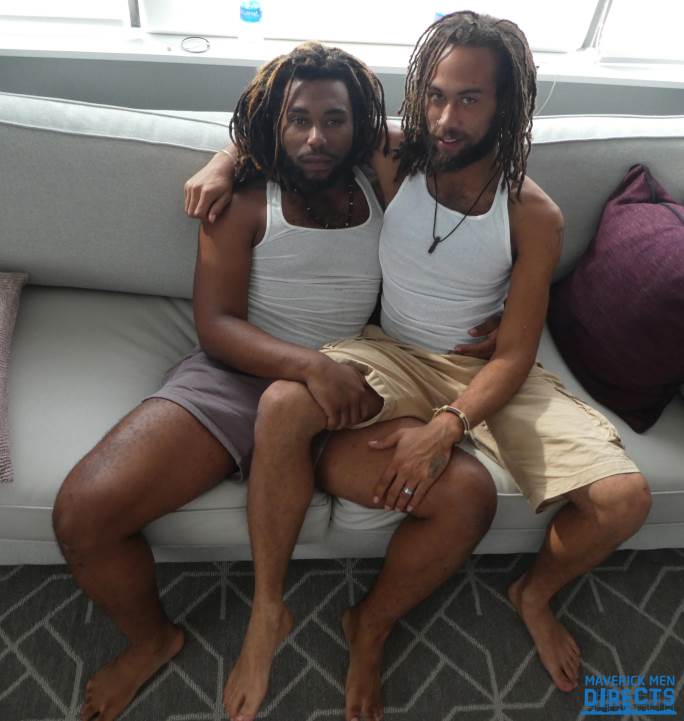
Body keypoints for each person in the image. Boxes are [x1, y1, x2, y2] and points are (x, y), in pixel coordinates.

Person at [190, 12, 652, 721]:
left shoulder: (535, 215)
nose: (444, 119)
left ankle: (509, 597)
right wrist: (221, 163)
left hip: (481, 372)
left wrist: (448, 426)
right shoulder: (392, 154)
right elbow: (286, 125)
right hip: (391, 352)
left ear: (506, 103)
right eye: (434, 96)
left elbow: (515, 354)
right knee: (284, 402)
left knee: (624, 501)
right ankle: (267, 608)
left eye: (468, 99)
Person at [51, 42, 497, 721]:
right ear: (274, 123)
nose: (316, 137)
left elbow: (468, 183)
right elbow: (216, 324)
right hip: (238, 378)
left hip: (352, 387)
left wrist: (490, 311)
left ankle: (369, 626)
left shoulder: (384, 181)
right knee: (83, 514)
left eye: (334, 120)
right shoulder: (243, 201)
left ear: (359, 125)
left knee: (468, 496)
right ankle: (153, 639)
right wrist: (308, 364)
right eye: (298, 119)